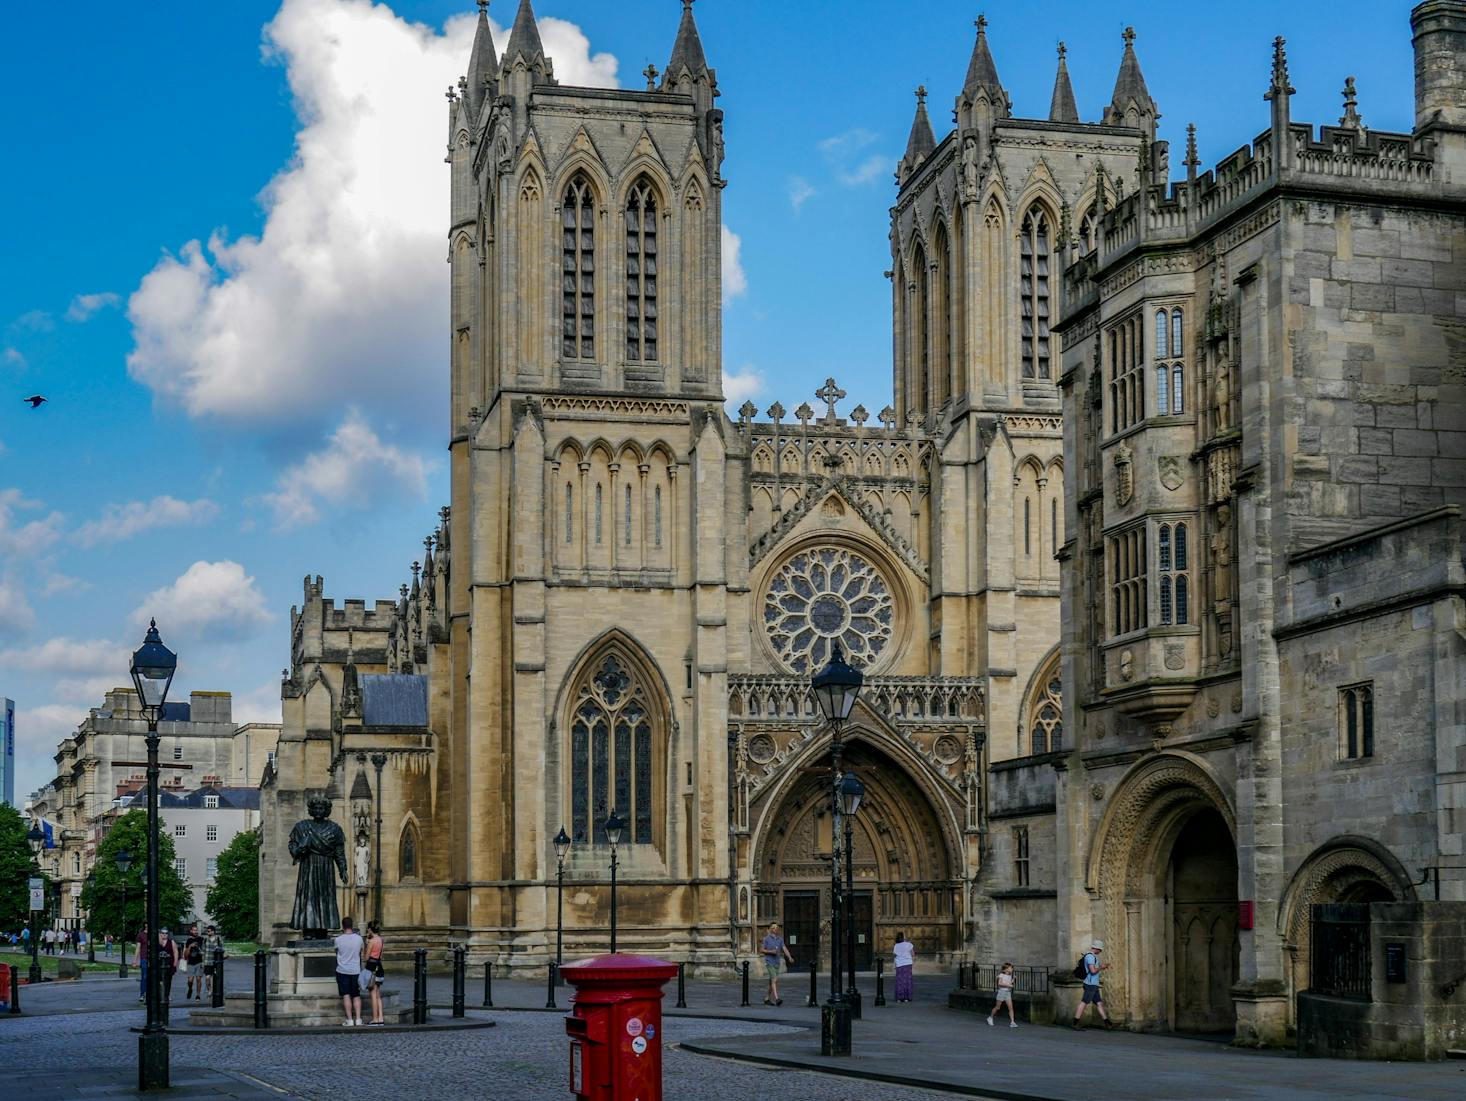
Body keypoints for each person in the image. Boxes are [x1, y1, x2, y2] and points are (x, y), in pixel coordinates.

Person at [1071, 938, 1112, 1030]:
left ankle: (1107, 1022)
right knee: (1084, 1003)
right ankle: (1075, 1023)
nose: (1100, 951)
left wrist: (1101, 967)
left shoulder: (1090, 956)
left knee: (1099, 1003)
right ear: (1097, 948)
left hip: (1094, 984)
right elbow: (1093, 971)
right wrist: (1102, 967)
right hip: (1090, 984)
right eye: (1100, 950)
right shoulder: (1090, 957)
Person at [335, 916, 364, 1027]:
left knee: (346, 995)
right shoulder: (359, 939)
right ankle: (358, 1019)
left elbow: (336, 952)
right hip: (355, 970)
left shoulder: (338, 940)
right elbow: (361, 952)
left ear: (343, 926)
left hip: (342, 970)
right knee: (356, 995)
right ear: (352, 926)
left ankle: (350, 1020)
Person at [759, 922, 794, 1006]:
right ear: (770, 929)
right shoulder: (766, 939)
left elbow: (784, 948)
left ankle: (767, 998)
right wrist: (771, 951)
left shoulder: (780, 939)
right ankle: (777, 998)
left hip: (776, 963)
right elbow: (761, 950)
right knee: (775, 980)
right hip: (769, 962)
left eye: (776, 928)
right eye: (773, 928)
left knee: (772, 982)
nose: (775, 929)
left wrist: (789, 957)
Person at [364, 921, 386, 1025]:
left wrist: (367, 944)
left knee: (372, 994)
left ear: (370, 929)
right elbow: (381, 956)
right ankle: (381, 1017)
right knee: (378, 994)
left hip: (371, 967)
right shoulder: (381, 940)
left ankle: (375, 1018)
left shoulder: (372, 941)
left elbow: (366, 957)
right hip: (379, 966)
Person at [987, 961, 1018, 1028]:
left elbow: (1010, 984)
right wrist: (1009, 985)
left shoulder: (1009, 976)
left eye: (1012, 968)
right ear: (1006, 969)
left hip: (1007, 993)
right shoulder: (1001, 975)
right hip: (1001, 992)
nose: (1012, 969)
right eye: (1010, 968)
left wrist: (1013, 979)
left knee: (1010, 1008)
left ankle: (1012, 1022)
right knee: (998, 1007)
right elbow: (999, 983)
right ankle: (990, 1018)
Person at [157, 928, 180, 1007]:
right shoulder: (158, 942)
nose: (164, 935)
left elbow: (175, 951)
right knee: (159, 980)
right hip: (159, 964)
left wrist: (175, 962)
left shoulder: (171, 942)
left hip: (169, 964)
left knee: (168, 980)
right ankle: (161, 994)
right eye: (162, 933)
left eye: (166, 933)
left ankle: (167, 994)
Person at [183, 923, 205, 1001]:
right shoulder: (189, 940)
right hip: (190, 962)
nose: (196, 932)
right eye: (194, 930)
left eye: (196, 930)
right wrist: (190, 946)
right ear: (191, 931)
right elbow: (185, 955)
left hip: (199, 962)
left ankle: (198, 995)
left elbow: (204, 950)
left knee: (198, 979)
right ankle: (190, 989)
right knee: (190, 980)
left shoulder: (201, 939)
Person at [892, 931, 916, 1003]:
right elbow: (913, 954)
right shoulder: (909, 944)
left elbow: (895, 955)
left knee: (899, 981)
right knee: (907, 980)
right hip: (907, 964)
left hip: (899, 964)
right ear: (903, 937)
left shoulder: (896, 945)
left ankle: (899, 998)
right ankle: (906, 998)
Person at [203, 925, 224, 998]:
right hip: (207, 961)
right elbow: (203, 951)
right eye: (207, 931)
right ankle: (209, 990)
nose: (207, 932)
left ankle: (214, 991)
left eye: (209, 931)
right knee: (207, 978)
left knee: (215, 977)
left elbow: (222, 950)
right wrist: (202, 963)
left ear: (213, 931)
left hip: (216, 962)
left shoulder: (218, 939)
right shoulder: (205, 939)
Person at [136, 924, 150, 1002]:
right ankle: (142, 994)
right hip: (144, 958)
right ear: (144, 925)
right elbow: (138, 947)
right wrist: (135, 960)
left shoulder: (155, 933)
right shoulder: (141, 935)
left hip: (153, 958)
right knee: (144, 976)